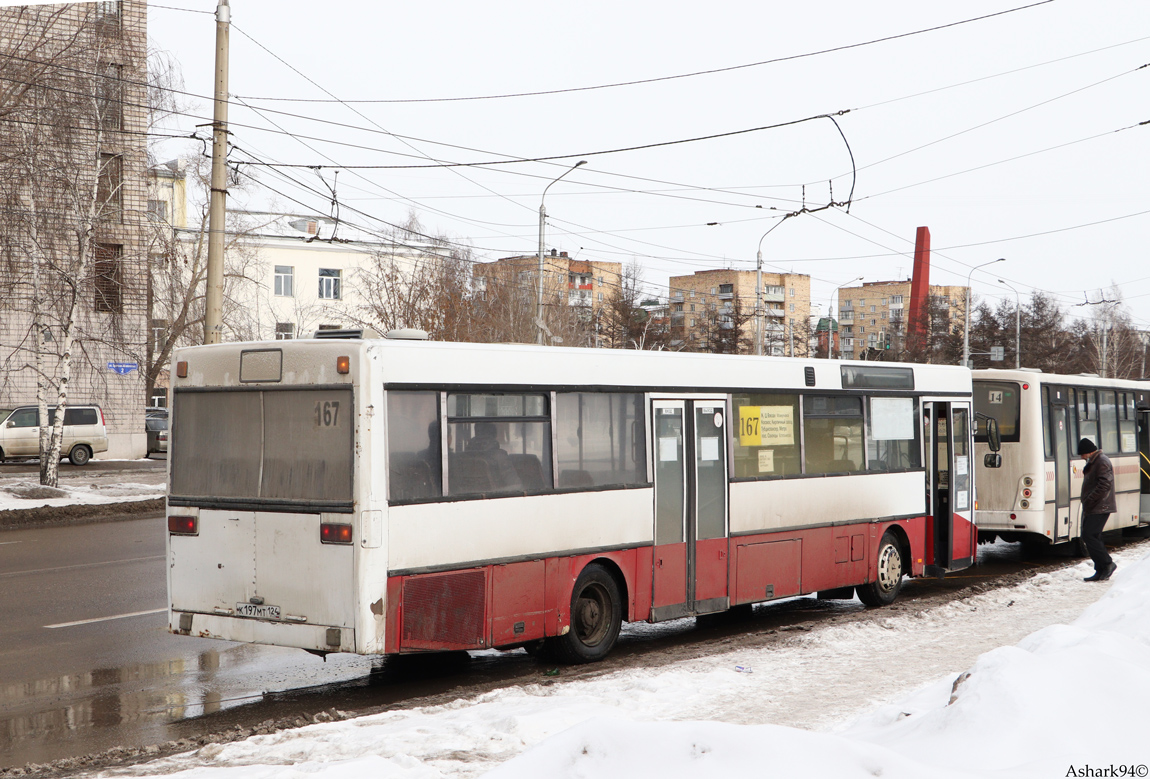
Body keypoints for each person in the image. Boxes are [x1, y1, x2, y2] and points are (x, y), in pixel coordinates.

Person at [1077, 438, 1117, 582]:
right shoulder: (1095, 460)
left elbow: (1105, 483)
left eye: (1081, 454)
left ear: (1087, 451)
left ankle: (1107, 564)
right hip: (1095, 506)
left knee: (1089, 535)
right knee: (1093, 536)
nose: (1081, 457)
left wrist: (1090, 499)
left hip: (1100, 506)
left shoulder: (1101, 461)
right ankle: (1100, 570)